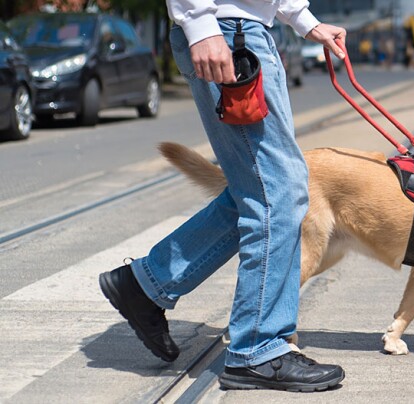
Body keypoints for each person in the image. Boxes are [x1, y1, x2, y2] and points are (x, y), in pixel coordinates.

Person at [97, 0, 348, 393]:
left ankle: (147, 284)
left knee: (264, 190)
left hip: (246, 32)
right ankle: (257, 349)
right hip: (227, 34)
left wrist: (304, 20)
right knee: (279, 192)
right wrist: (200, 24)